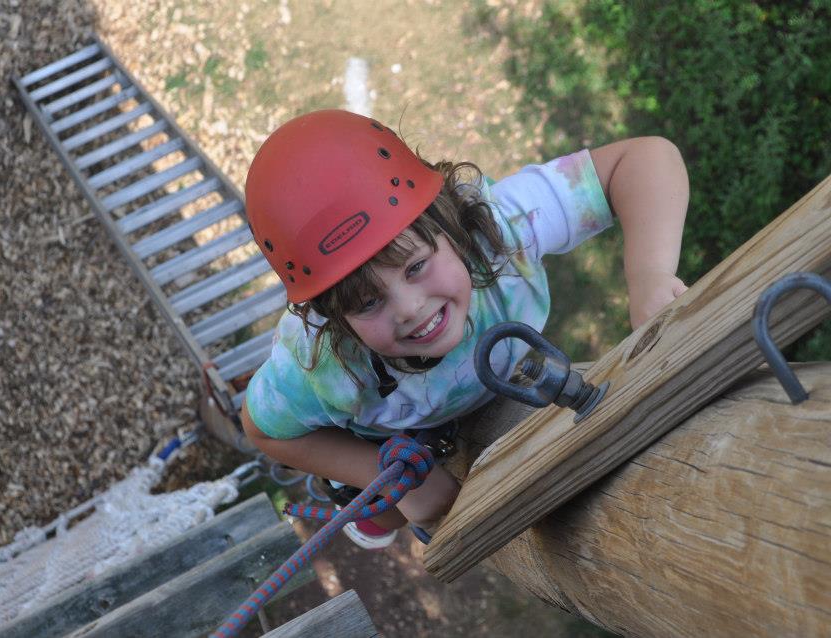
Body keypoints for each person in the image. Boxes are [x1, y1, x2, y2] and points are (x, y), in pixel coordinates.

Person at [240, 109, 688, 549]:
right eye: (368, 302)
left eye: (416, 266)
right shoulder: (320, 365)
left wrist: (649, 278)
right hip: (392, 434)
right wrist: (384, 472)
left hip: (487, 385)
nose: (411, 309)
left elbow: (643, 161)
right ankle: (362, 503)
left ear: (450, 226)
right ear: (334, 319)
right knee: (394, 510)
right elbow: (263, 429)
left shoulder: (496, 229)